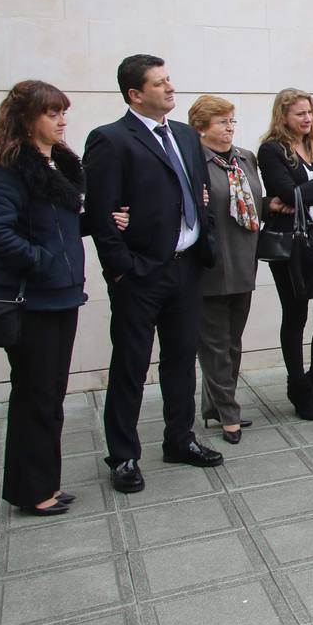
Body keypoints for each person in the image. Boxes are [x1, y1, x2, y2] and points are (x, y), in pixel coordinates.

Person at [0, 82, 124, 514]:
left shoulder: (57, 166)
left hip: (60, 296)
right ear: (26, 119)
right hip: (30, 300)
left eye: (64, 112)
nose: (62, 120)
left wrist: (100, 221)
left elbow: (57, 227)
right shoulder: (8, 168)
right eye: (52, 113)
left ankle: (44, 483)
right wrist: (42, 260)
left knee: (49, 394)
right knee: (35, 395)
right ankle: (33, 491)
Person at [84, 55, 220, 494]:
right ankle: (123, 455)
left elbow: (200, 196)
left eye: (169, 79)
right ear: (134, 94)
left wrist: (205, 244)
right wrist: (123, 271)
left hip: (187, 266)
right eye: (159, 84)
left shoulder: (183, 134)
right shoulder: (110, 140)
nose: (170, 88)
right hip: (142, 274)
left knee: (181, 360)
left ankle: (179, 439)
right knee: (131, 366)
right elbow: (103, 217)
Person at [257, 88, 313, 420]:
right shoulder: (271, 150)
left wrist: (308, 189)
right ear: (283, 116)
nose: (307, 118)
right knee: (295, 317)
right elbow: (284, 192)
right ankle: (299, 388)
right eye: (300, 113)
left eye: (310, 112)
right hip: (292, 245)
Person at [189, 95, 263, 445]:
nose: (230, 127)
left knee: (232, 342)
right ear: (201, 128)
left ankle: (215, 407)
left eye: (232, 121)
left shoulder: (245, 158)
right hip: (211, 264)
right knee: (215, 344)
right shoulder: (194, 163)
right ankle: (229, 413)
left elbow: (256, 201)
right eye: (222, 122)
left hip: (244, 259)